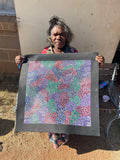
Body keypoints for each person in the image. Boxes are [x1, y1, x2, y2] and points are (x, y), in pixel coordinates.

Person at [15, 16, 104, 149]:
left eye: (61, 34)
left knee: (67, 104)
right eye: (55, 34)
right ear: (50, 37)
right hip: (50, 91)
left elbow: (81, 72)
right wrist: (21, 63)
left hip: (68, 90)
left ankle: (63, 132)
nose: (58, 37)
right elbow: (37, 74)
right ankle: (54, 133)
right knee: (49, 104)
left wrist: (96, 62)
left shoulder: (73, 52)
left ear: (67, 37)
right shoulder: (45, 53)